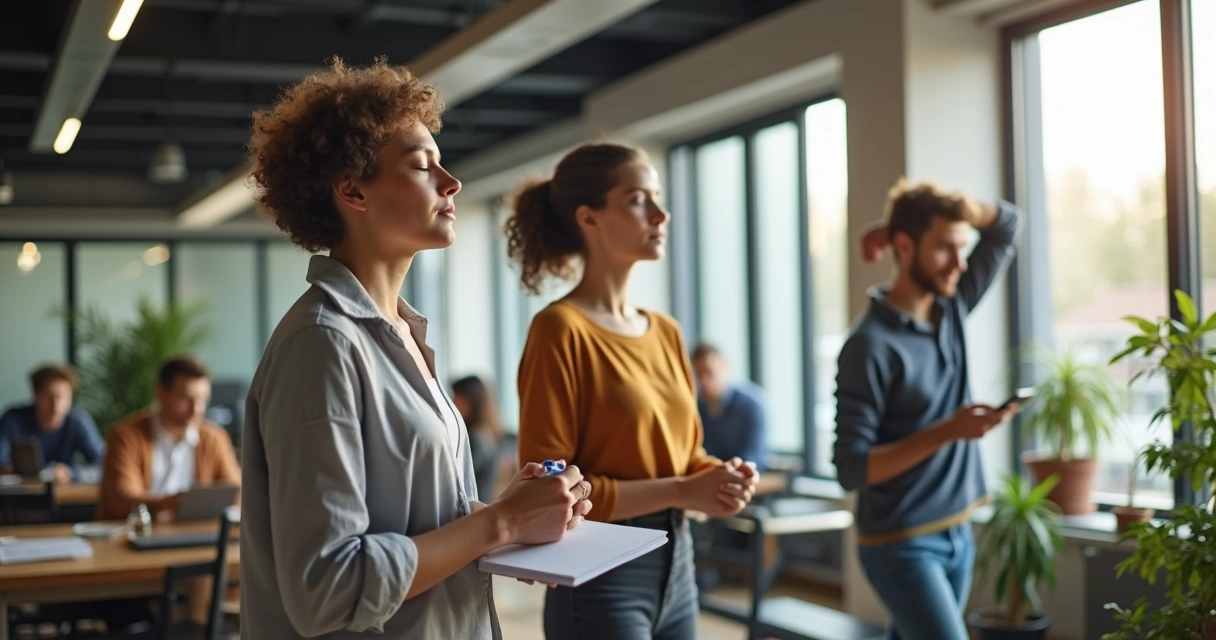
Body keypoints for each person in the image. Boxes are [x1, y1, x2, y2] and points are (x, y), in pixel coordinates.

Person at [239, 58, 591, 640]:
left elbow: (408, 525)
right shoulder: (322, 345)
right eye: (423, 166)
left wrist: (519, 515)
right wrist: (500, 523)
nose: (451, 182)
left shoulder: (402, 332)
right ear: (353, 189)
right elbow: (328, 589)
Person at [507, 142, 760, 639]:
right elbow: (549, 492)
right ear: (590, 218)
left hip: (679, 566)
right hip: (599, 575)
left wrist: (721, 477)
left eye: (658, 197)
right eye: (638, 199)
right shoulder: (560, 329)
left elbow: (687, 455)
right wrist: (687, 490)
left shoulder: (666, 331)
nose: (660, 213)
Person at [833, 179, 1022, 640]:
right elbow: (851, 469)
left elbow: (1006, 225)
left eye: (962, 247)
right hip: (900, 544)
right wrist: (950, 430)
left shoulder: (950, 308)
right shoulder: (868, 346)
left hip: (957, 529)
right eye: (944, 249)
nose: (959, 263)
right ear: (905, 246)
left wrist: (911, 220)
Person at [97, 356, 240, 521]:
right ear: (161, 393)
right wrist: (173, 503)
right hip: (134, 537)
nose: (196, 409)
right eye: (186, 398)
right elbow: (121, 501)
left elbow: (234, 492)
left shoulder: (214, 437)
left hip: (197, 536)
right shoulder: (125, 436)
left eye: (202, 399)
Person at [0, 364, 103, 483]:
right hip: (20, 493)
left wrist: (73, 473)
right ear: (36, 396)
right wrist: (5, 468)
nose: (56, 404)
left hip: (64, 495)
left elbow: (104, 464)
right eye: (49, 396)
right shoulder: (13, 420)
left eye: (63, 397)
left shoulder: (78, 421)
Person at [691, 342, 769, 472]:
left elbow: (754, 458)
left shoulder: (752, 405)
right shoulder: (696, 408)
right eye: (698, 375)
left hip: (745, 480)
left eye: (709, 373)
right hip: (709, 480)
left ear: (725, 367)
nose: (704, 382)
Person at [451, 375, 506, 501]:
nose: (453, 402)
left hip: (472, 510)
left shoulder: (475, 438)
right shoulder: (490, 433)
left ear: (471, 400)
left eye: (456, 397)